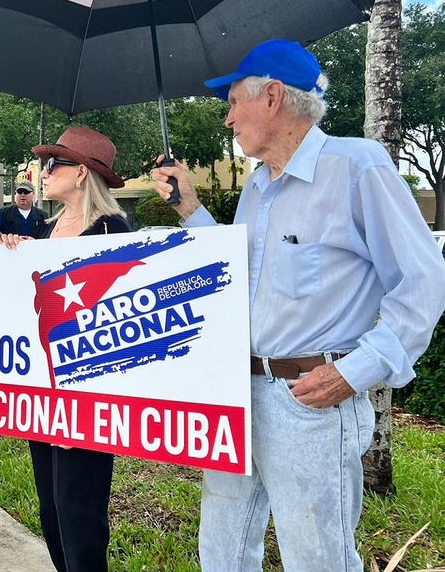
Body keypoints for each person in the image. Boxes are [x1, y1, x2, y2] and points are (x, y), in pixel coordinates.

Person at [152, 39, 445, 572]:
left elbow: (423, 282)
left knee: (317, 558)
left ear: (272, 97)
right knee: (221, 549)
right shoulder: (257, 186)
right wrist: (190, 209)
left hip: (308, 400)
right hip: (238, 396)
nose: (227, 120)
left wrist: (355, 372)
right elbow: (236, 275)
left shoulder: (358, 166)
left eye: (233, 102)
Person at [0, 126, 129, 572]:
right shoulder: (45, 227)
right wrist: (10, 254)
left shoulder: (113, 229)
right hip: (42, 390)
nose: (43, 172)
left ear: (81, 174)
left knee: (79, 510)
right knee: (50, 508)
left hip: (89, 393)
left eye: (55, 164)